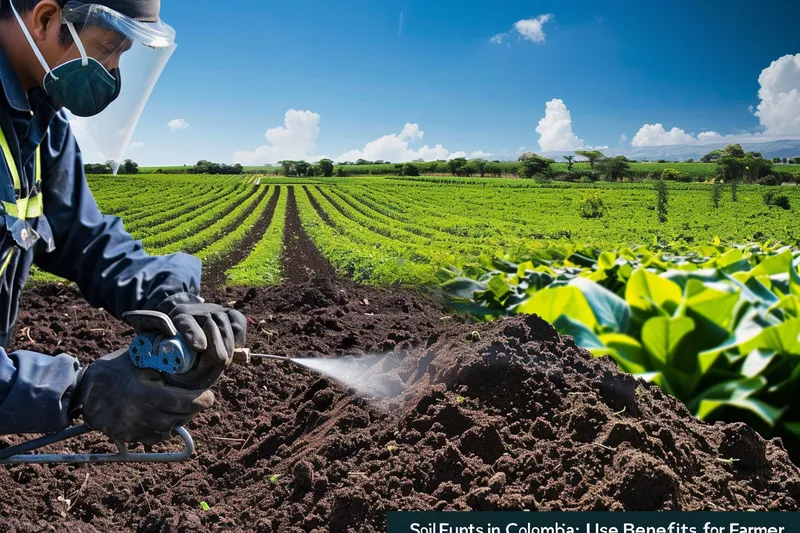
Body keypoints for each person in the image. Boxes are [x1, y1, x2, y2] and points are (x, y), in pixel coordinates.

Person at [0, 0, 246, 445]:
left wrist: (170, 296)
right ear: (45, 18)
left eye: (123, 55)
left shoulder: (40, 120)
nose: (113, 70)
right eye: (108, 47)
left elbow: (86, 238)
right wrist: (74, 390)